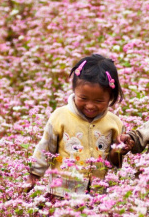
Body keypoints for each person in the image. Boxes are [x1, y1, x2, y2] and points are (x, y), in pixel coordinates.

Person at [27, 54, 131, 196]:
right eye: (83, 98)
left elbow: (114, 162)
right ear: (74, 91)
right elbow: (45, 147)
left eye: (99, 101)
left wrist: (119, 150)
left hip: (99, 194)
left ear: (111, 97)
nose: (90, 105)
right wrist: (34, 174)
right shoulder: (60, 116)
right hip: (62, 192)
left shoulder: (114, 123)